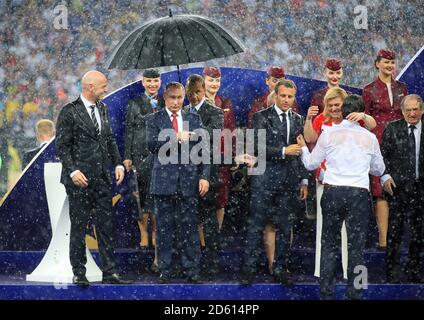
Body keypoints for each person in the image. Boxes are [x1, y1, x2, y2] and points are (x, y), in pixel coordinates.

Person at [298, 94, 385, 299]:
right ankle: (357, 294)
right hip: (359, 195)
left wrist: (303, 147)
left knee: (329, 245)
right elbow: (379, 169)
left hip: (333, 193)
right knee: (357, 247)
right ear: (361, 112)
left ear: (344, 110)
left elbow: (311, 164)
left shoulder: (328, 134)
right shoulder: (370, 138)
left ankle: (326, 294)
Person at [56, 70, 132, 287]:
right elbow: (62, 146)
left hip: (101, 179)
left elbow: (108, 139)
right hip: (79, 180)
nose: (106, 89)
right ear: (90, 87)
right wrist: (72, 171)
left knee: (106, 227)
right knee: (79, 227)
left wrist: (117, 163)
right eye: (103, 85)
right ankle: (79, 272)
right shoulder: (69, 112)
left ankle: (110, 272)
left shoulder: (103, 108)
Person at [242, 79, 308, 285]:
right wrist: (283, 151)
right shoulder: (261, 117)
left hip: (289, 181)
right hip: (264, 180)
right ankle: (249, 270)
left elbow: (301, 151)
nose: (287, 100)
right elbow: (256, 148)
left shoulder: (298, 119)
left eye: (290, 96)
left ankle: (279, 268)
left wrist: (304, 179)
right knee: (256, 226)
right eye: (283, 96)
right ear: (275, 95)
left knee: (285, 226)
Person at [146, 82, 210, 283]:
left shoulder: (194, 118)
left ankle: (192, 269)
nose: (175, 102)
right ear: (165, 98)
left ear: (184, 98)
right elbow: (151, 145)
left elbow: (205, 150)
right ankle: (165, 269)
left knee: (189, 228)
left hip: (189, 182)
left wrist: (205, 176)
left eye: (179, 98)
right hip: (163, 183)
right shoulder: (154, 119)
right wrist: (175, 137)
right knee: (164, 229)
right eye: (172, 98)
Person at [363, 48, 408, 250]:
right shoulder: (368, 89)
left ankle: (398, 238)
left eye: (392, 62)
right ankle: (383, 240)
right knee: (380, 190)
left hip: (401, 142)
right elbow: (363, 118)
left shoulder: (402, 88)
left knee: (399, 186)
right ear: (377, 64)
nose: (390, 65)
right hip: (378, 141)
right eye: (386, 62)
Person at [123, 68, 164, 273]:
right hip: (139, 156)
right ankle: (143, 233)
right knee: (139, 197)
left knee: (156, 197)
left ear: (160, 81)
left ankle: (156, 233)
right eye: (149, 81)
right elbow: (129, 129)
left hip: (159, 156)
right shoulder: (134, 103)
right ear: (143, 82)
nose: (152, 84)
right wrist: (128, 156)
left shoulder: (167, 101)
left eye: (155, 80)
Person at [184, 74, 224, 280]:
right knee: (189, 221)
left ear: (203, 90)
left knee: (209, 222)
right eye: (190, 93)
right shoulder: (182, 113)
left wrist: (190, 134)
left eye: (197, 92)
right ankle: (192, 264)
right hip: (186, 174)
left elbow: (212, 135)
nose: (194, 96)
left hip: (208, 173)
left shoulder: (215, 112)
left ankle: (211, 264)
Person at [381, 94, 424, 283]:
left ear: (422, 110)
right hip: (398, 189)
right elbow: (382, 157)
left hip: (421, 189)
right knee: (395, 232)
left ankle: (414, 270)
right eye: (408, 110)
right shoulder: (392, 129)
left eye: (415, 109)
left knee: (419, 233)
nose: (412, 113)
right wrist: (385, 176)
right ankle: (392, 272)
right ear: (402, 111)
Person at [203, 66, 236, 232]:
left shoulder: (226, 103)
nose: (214, 83)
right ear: (203, 81)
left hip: (222, 159)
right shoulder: (195, 104)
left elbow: (231, 132)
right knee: (200, 202)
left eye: (217, 80)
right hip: (201, 159)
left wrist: (232, 156)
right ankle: (202, 244)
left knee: (221, 201)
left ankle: (216, 236)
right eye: (211, 80)